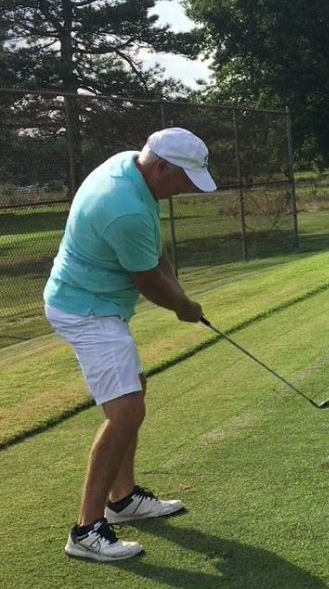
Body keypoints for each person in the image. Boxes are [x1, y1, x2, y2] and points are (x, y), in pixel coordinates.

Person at [44, 127, 218, 562]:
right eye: (185, 180)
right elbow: (149, 282)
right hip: (87, 310)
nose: (187, 189)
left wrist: (180, 294)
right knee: (126, 412)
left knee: (133, 392)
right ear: (161, 168)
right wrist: (183, 306)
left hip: (94, 302)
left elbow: (155, 254)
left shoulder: (131, 168)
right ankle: (86, 530)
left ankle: (122, 500)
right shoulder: (124, 208)